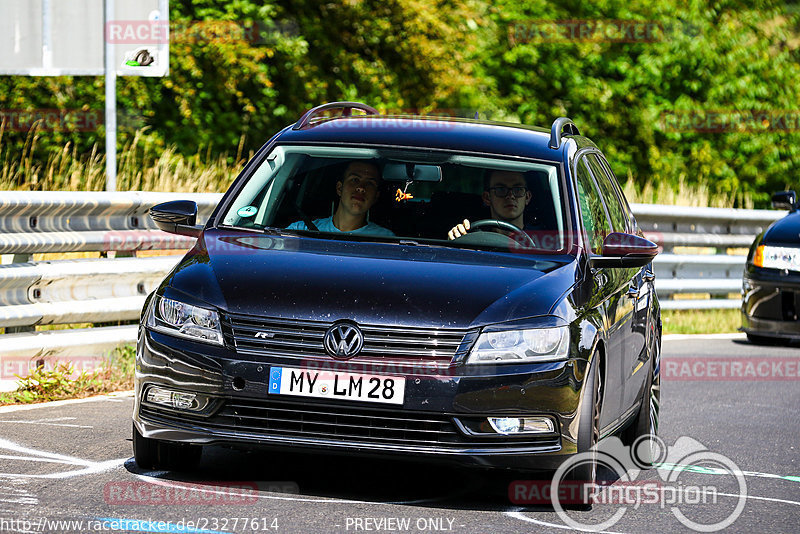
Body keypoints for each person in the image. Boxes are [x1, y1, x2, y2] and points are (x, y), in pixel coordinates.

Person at [287, 160, 395, 237]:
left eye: (370, 183)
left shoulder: (386, 240)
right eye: (355, 180)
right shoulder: (299, 231)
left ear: (376, 196)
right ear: (339, 188)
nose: (361, 188)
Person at [447, 170, 532, 240]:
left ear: (527, 197)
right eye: (501, 189)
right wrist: (458, 239)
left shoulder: (542, 239)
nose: (510, 196)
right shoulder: (474, 237)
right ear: (487, 198)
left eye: (518, 190)